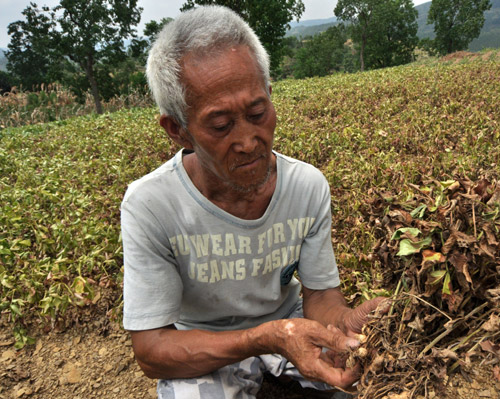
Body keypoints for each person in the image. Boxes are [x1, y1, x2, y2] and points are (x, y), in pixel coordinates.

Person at [120, 5, 385, 399]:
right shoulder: (152, 205)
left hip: (292, 322)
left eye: (257, 112)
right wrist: (265, 338)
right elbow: (152, 351)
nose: (248, 141)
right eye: (221, 125)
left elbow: (319, 297)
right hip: (203, 343)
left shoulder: (306, 186)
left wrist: (346, 321)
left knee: (366, 380)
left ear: (270, 97)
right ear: (177, 130)